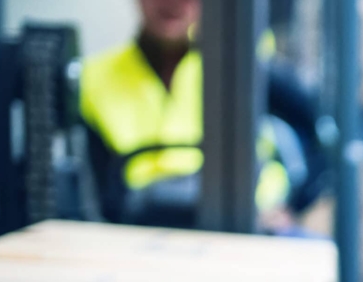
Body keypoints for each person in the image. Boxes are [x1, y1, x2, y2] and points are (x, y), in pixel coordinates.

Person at [80, 0, 291, 227]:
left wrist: (284, 206)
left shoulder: (241, 62)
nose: (173, 2)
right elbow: (92, 185)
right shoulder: (92, 77)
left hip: (242, 220)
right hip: (136, 227)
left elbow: (313, 133)